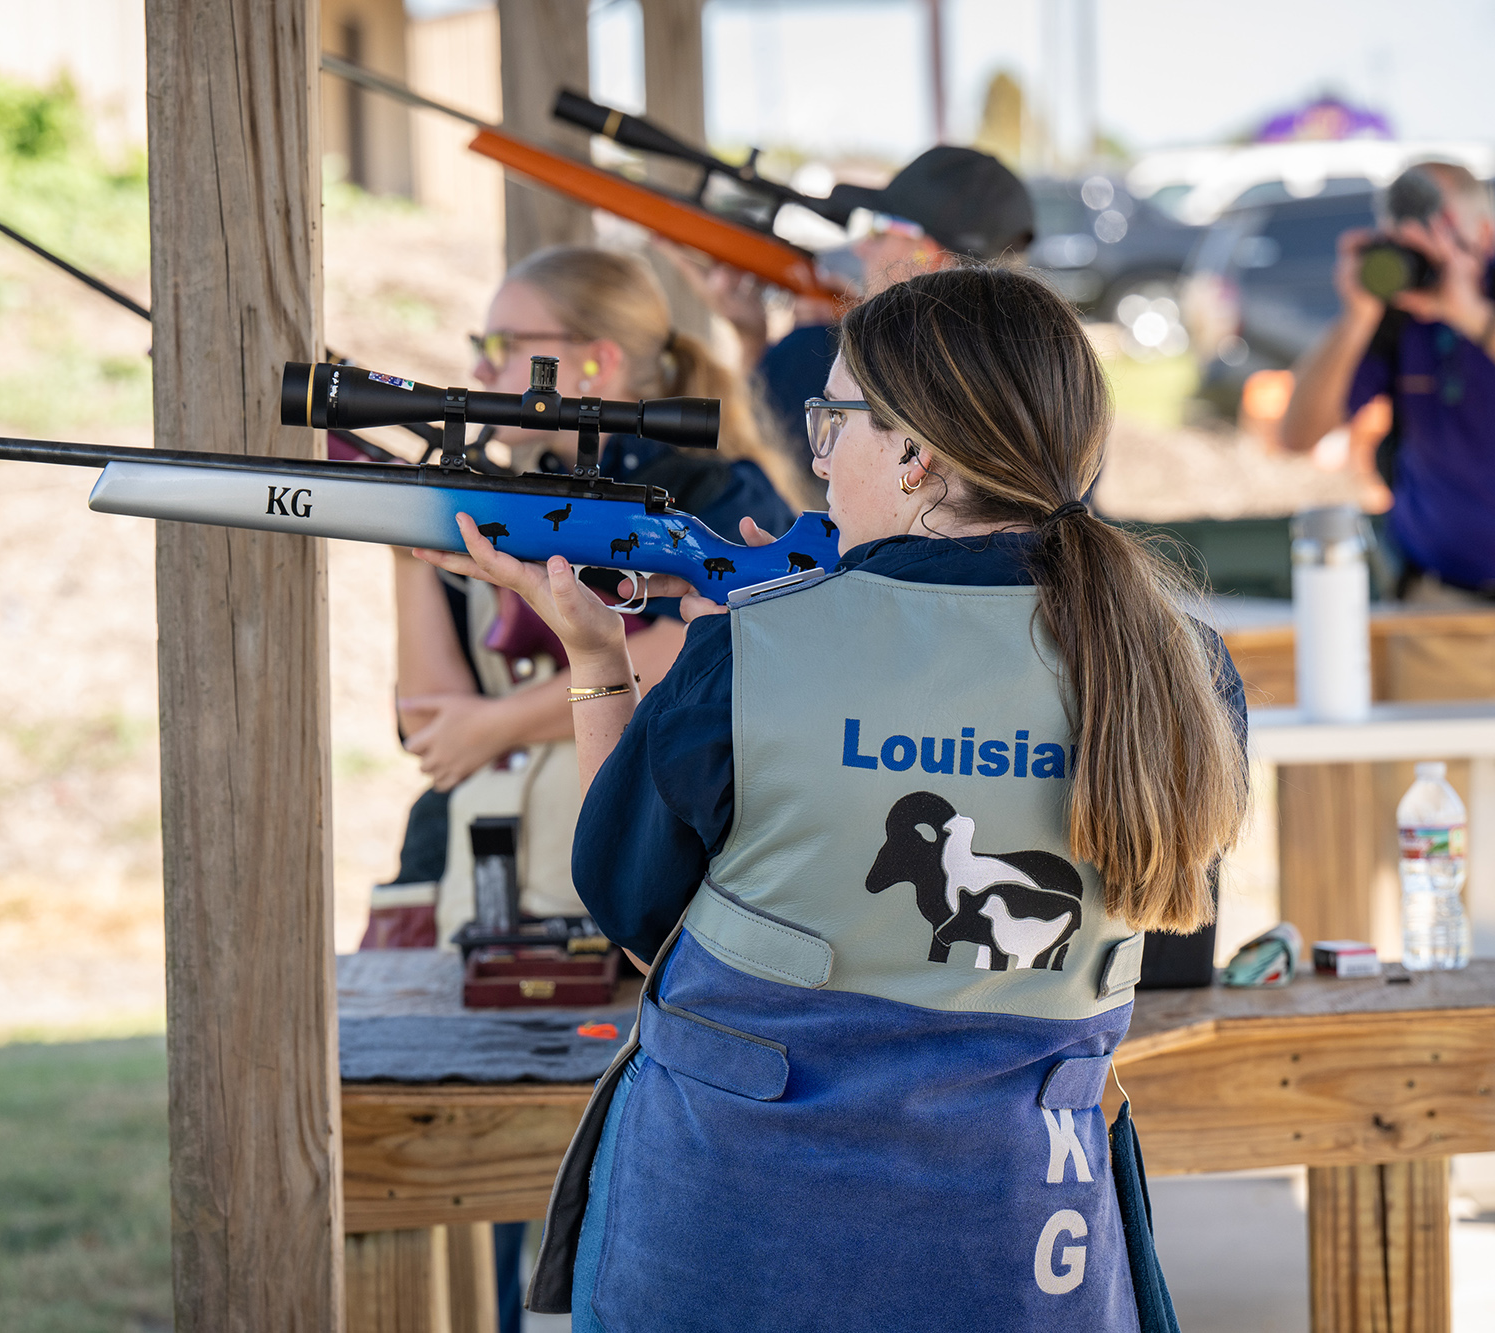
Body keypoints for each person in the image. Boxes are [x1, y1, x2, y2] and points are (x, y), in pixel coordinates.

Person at [415, 266, 1249, 1330]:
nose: (816, 458)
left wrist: (595, 657)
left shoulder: (746, 654)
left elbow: (639, 926)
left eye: (833, 420)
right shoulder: (1177, 663)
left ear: (912, 455)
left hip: (740, 1233)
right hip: (1026, 1243)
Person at [385, 245, 804, 930]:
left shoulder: (708, 493)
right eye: (478, 345)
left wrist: (499, 725)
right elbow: (433, 726)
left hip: (635, 901)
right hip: (484, 901)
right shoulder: (504, 504)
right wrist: (408, 537)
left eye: (501, 344)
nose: (480, 369)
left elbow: (699, 652)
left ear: (592, 362)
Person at [695, 145, 1036, 468]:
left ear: (927, 256)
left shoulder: (813, 355)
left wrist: (757, 339)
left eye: (880, 230)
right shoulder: (1049, 383)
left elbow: (743, 462)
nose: (862, 249)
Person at [1282, 162, 1495, 612]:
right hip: (1440, 602)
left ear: (1486, 235)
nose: (1424, 259)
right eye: (1407, 245)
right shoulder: (1397, 320)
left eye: (1440, 237)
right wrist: (1357, 318)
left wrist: (1471, 316)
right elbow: (1298, 435)